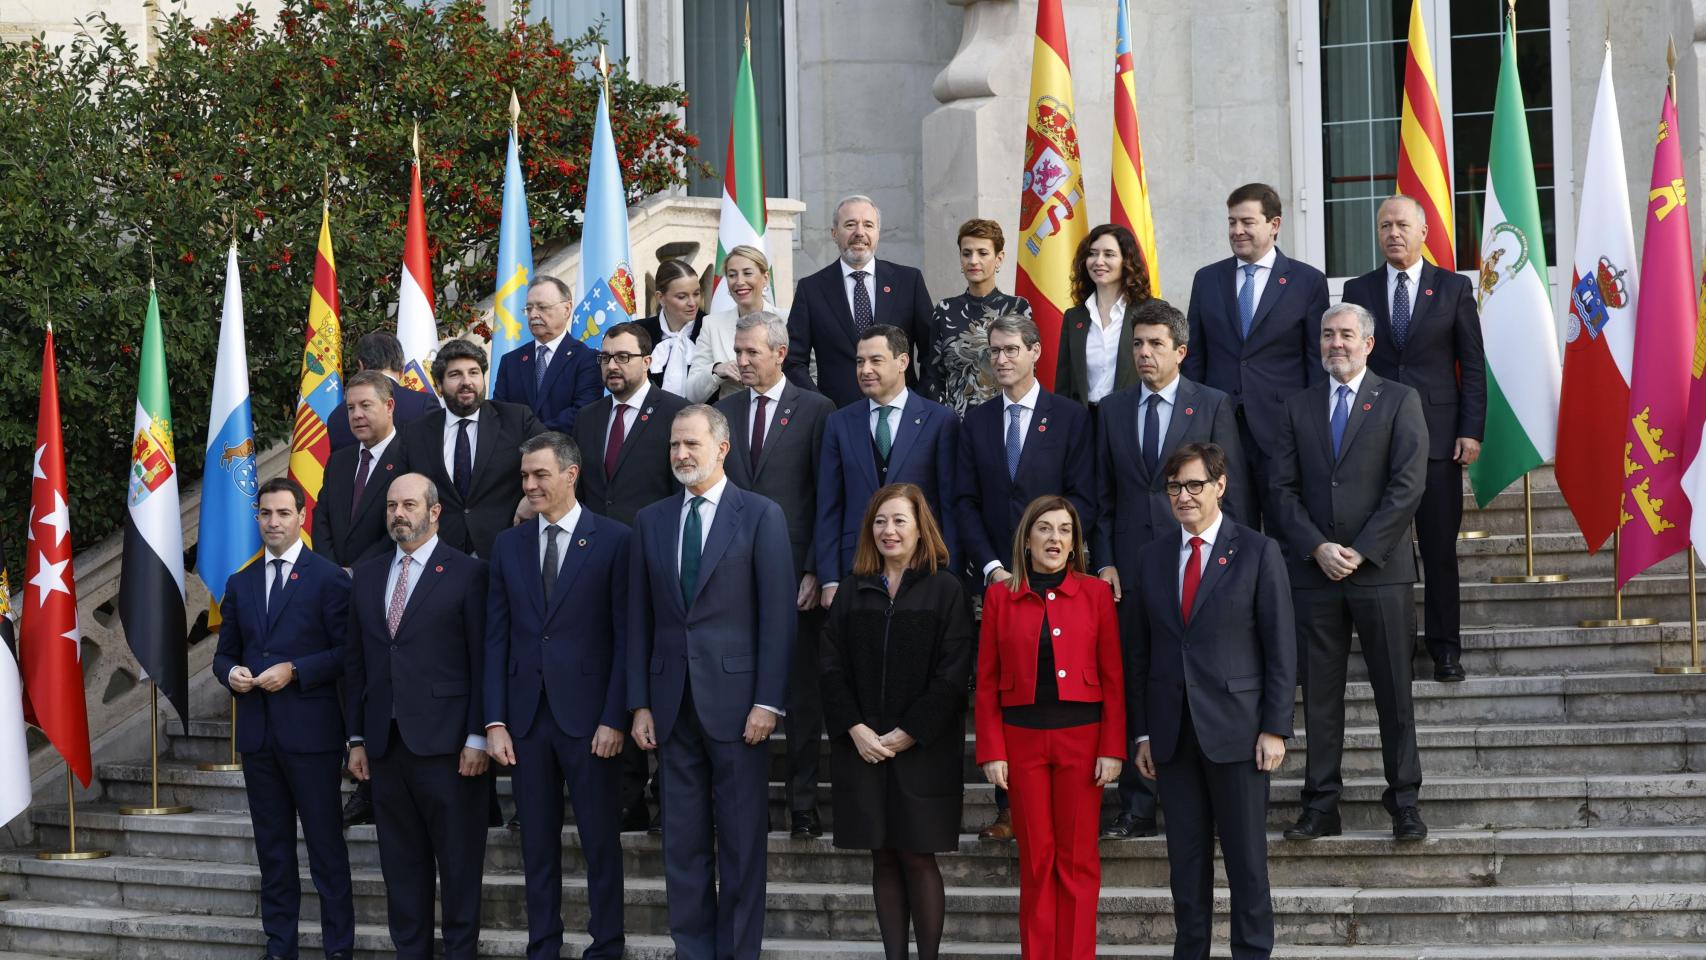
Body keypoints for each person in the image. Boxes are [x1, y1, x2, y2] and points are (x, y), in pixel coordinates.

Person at [627, 405, 796, 960]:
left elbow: (778, 617)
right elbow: (639, 621)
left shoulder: (760, 515)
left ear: (721, 448)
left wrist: (768, 702)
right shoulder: (651, 521)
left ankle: (738, 952)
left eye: (692, 445)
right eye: (675, 445)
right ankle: (693, 950)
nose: (681, 454)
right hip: (671, 706)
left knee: (743, 846)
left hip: (740, 708)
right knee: (683, 844)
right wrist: (639, 705)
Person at [1268, 302, 1430, 842]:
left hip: (1380, 572)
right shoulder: (1298, 406)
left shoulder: (1400, 400)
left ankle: (1404, 802)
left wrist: (1359, 550)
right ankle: (1321, 805)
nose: (1335, 343)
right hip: (1316, 575)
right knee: (1319, 695)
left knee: (1393, 693)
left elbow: (1407, 485)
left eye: (1345, 335)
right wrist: (1317, 547)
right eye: (1327, 335)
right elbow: (1281, 490)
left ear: (1368, 343)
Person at [1127, 442, 1295, 960]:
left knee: (1247, 864)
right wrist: (1143, 732)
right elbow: (1138, 652)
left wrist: (1275, 727)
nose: (1183, 496)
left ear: (1220, 486)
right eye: (1174, 486)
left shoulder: (1257, 550)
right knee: (1187, 867)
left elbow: (1280, 645)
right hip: (1173, 739)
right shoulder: (1151, 556)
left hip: (1239, 734)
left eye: (1194, 485)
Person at [1092, 298, 1247, 839]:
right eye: (1137, 343)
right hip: (1133, 569)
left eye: (1156, 343)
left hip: (1199, 568)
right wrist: (1106, 560)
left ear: (1181, 350)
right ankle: (1136, 804)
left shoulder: (1212, 404)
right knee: (1138, 672)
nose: (1145, 353)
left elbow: (1235, 493)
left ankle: (1196, 789)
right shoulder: (1110, 409)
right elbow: (1102, 497)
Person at [484, 433, 630, 960]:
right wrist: (494, 721)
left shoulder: (614, 540)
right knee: (536, 846)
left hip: (592, 722)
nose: (530, 486)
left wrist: (616, 716)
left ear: (571, 474)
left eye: (540, 475)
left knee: (599, 844)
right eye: (525, 477)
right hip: (525, 722)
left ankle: (606, 946)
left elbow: (625, 637)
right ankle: (542, 946)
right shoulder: (508, 544)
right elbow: (495, 638)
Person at [952, 313, 1092, 840]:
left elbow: (1083, 496)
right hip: (996, 581)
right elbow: (964, 501)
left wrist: (1052, 552)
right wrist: (992, 565)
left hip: (1056, 577)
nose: (1002, 359)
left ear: (1035, 352)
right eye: (995, 351)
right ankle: (1009, 808)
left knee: (1051, 681)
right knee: (1006, 681)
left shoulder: (1070, 418)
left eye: (1012, 349)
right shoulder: (977, 421)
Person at [819, 483, 972, 960]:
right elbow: (828, 667)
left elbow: (954, 672)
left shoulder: (946, 590)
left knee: (916, 856)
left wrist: (910, 732)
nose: (889, 530)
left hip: (922, 750)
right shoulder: (851, 590)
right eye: (880, 521)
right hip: (862, 748)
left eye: (899, 520)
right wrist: (855, 729)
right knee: (881, 856)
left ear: (920, 528)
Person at [1340, 194, 1486, 682]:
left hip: (1440, 440)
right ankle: (1395, 649)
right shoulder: (1357, 288)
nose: (1393, 233)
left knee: (1440, 548)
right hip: (1374, 438)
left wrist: (1471, 430)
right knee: (1383, 547)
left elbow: (1472, 365)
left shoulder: (1453, 288)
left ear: (1424, 232)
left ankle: (1446, 649)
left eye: (1402, 225)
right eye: (1384, 226)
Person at [345, 473, 490, 960]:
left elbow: (482, 660)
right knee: (401, 869)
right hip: (386, 748)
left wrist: (478, 735)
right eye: (391, 506)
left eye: (409, 504)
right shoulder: (367, 575)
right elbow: (356, 663)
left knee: (458, 865)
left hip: (450, 748)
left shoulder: (468, 573)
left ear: (434, 512)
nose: (398, 514)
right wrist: (356, 738)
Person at [975, 496, 1124, 960]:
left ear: (1076, 542)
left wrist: (1113, 747)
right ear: (1027, 540)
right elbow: (987, 680)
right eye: (1044, 529)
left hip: (1083, 741)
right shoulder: (1000, 596)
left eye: (1064, 530)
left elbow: (1114, 677)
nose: (1055, 538)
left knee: (1077, 861)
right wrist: (992, 750)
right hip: (1021, 744)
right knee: (1037, 862)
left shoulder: (1096, 593)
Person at [212, 477, 354, 960]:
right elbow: (222, 654)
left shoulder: (329, 578)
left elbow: (345, 654)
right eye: (265, 514)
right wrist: (231, 673)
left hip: (312, 738)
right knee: (273, 853)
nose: (273, 522)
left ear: (300, 517)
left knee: (326, 852)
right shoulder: (240, 582)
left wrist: (295, 670)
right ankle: (280, 948)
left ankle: (339, 949)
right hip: (258, 738)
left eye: (282, 513)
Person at [716, 311, 838, 839]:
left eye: (751, 353)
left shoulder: (816, 410)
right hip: (732, 580)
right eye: (738, 352)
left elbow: (826, 496)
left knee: (802, 696)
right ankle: (749, 802)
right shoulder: (721, 411)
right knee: (743, 692)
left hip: (795, 576)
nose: (741, 361)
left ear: (779, 353)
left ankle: (803, 803)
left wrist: (815, 566)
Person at [571, 320, 687, 832]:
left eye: (622, 357)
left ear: (648, 361)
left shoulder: (676, 416)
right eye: (605, 358)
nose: (612, 366)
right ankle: (627, 794)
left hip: (658, 562)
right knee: (615, 670)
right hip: (598, 565)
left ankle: (666, 792)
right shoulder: (588, 418)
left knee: (655, 672)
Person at [1181, 182, 1329, 528]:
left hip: (1282, 430)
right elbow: (1195, 357)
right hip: (1221, 428)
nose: (1237, 231)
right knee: (1229, 529)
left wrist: (1311, 428)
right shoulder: (1207, 279)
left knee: (1284, 528)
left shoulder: (1307, 282)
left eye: (1247, 222)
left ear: (1274, 224)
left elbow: (1315, 361)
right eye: (1231, 222)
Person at [817, 325, 959, 610]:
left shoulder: (940, 420)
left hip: (922, 569)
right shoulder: (838, 422)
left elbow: (949, 505)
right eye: (859, 361)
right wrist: (829, 579)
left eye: (875, 360)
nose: (865, 369)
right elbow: (829, 505)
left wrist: (949, 574)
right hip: (855, 569)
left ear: (903, 362)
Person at [395, 338, 544, 559]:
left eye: (474, 373)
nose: (467, 382)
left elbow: (556, 456)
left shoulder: (517, 419)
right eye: (455, 375)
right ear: (438, 384)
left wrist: (533, 499)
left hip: (505, 552)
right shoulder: (415, 433)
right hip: (439, 556)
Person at [786, 195, 934, 408]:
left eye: (868, 225)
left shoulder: (908, 282)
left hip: (904, 413)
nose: (860, 233)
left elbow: (931, 352)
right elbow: (793, 362)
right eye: (850, 224)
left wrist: (919, 400)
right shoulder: (811, 289)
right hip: (838, 417)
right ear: (834, 233)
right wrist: (819, 406)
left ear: (877, 233)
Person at [920, 218, 1033, 415]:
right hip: (956, 426)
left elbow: (1027, 372)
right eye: (967, 253)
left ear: (999, 258)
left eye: (982, 253)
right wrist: (942, 421)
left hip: (1006, 421)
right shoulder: (945, 309)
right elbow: (933, 376)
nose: (973, 261)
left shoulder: (1018, 307)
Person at [314, 370, 408, 571]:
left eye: (365, 405)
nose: (356, 415)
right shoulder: (339, 460)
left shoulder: (409, 458)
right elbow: (322, 519)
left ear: (389, 406)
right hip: (334, 582)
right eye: (350, 408)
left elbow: (403, 528)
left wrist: (356, 572)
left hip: (383, 578)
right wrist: (332, 571)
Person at [1053, 223, 1152, 409]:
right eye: (1092, 253)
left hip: (1132, 419)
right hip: (1083, 422)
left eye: (1109, 254)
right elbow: (1064, 384)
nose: (1098, 261)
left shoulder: (1151, 311)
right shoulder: (1074, 317)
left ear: (1127, 261)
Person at [491, 275, 603, 433]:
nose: (533, 315)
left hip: (565, 453)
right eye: (529, 309)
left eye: (542, 307)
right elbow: (499, 412)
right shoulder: (510, 361)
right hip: (517, 454)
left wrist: (534, 436)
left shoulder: (587, 359)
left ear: (567, 309)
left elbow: (583, 412)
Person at [687, 245, 785, 403]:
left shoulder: (787, 320)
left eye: (747, 273)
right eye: (732, 275)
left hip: (783, 415)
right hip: (731, 419)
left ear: (765, 278)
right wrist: (717, 370)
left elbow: (809, 374)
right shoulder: (712, 324)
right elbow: (692, 393)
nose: (739, 281)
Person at [326, 331, 438, 452]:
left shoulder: (336, 416)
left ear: (361, 366)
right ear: (402, 369)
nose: (358, 414)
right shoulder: (423, 404)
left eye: (366, 405)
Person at [638, 258, 707, 395]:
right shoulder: (638, 332)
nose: (692, 303)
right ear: (660, 297)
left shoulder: (711, 328)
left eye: (696, 293)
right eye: (682, 297)